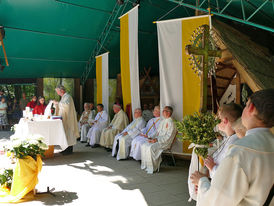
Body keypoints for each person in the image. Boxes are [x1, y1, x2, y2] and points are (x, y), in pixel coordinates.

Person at [190, 89, 274, 206]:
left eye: (246, 105)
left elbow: (216, 201)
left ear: (251, 108)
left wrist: (202, 181)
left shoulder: (241, 151)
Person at [205, 103, 243, 178]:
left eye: (218, 118)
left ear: (224, 121)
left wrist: (212, 167)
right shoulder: (229, 138)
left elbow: (226, 175)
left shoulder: (233, 144)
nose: (216, 121)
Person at [141, 106, 176, 174]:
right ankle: (147, 165)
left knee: (150, 147)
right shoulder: (163, 121)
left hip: (165, 142)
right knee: (144, 145)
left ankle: (153, 167)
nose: (162, 112)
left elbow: (168, 136)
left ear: (168, 112)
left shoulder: (171, 122)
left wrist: (156, 140)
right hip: (158, 139)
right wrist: (149, 136)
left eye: (164, 110)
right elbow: (157, 132)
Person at [54, 85, 79, 155]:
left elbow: (66, 106)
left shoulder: (68, 97)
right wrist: (57, 105)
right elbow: (61, 106)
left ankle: (69, 150)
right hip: (64, 119)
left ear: (61, 90)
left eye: (58, 91)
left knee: (69, 134)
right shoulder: (63, 97)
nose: (57, 93)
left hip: (68, 119)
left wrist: (58, 103)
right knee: (65, 134)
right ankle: (65, 149)